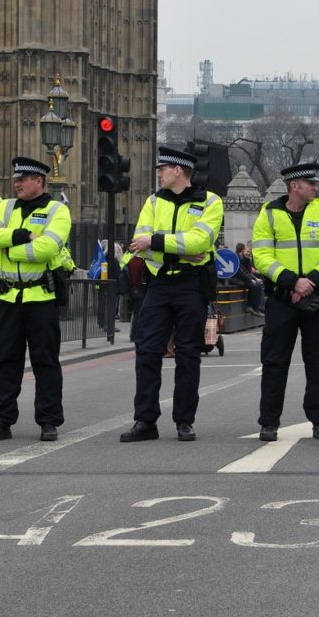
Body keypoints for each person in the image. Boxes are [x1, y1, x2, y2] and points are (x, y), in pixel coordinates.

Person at [120, 145, 224, 443]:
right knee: (147, 351)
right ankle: (145, 420)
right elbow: (139, 243)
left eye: (162, 169)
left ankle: (184, 421)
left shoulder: (210, 202)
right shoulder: (154, 201)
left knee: (188, 354)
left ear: (178, 170)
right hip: (159, 284)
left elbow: (200, 241)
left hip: (192, 285)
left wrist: (157, 242)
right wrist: (177, 250)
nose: (158, 174)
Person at [251, 161, 319, 441]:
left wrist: (311, 280)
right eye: (310, 183)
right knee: (274, 361)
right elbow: (262, 256)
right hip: (282, 298)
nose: (316, 187)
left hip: (318, 295)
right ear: (294, 186)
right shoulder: (269, 214)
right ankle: (269, 422)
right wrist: (292, 282)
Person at [0, 157, 71, 442]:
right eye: (15, 179)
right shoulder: (4, 207)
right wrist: (22, 235)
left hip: (40, 297)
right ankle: (1, 421)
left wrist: (11, 250)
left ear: (39, 181)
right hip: (8, 297)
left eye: (23, 179)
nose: (16, 183)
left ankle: (48, 421)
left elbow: (47, 248)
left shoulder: (57, 210)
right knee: (5, 362)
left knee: (45, 362)